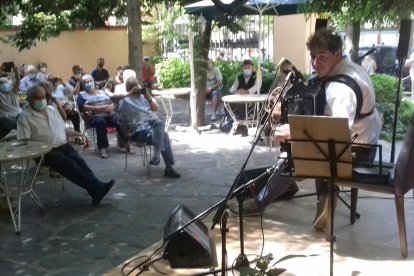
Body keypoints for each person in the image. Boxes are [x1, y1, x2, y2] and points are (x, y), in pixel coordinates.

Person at [232, 29, 382, 233]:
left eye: (322, 57)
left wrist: (294, 133)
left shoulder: (342, 89)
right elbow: (324, 114)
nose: (315, 63)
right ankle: (325, 197)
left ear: (338, 55)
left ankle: (258, 203)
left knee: (294, 160)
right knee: (316, 151)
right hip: (362, 144)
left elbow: (338, 134)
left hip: (357, 153)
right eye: (313, 57)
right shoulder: (349, 69)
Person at [17, 85, 114, 206]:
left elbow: (62, 129)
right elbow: (24, 141)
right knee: (70, 165)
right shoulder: (24, 117)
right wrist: (40, 148)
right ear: (29, 99)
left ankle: (96, 190)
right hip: (45, 152)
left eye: (43, 96)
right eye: (37, 97)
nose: (41, 99)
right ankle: (98, 187)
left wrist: (78, 133)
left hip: (62, 145)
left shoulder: (51, 110)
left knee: (81, 163)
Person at [116, 77, 180, 178]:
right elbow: (112, 100)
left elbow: (155, 109)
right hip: (136, 131)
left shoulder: (143, 97)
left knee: (160, 125)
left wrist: (148, 96)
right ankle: (167, 166)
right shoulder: (124, 100)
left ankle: (157, 156)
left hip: (150, 126)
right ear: (127, 88)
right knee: (164, 135)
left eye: (136, 85)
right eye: (132, 87)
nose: (136, 89)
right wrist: (128, 94)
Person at [76, 74, 123, 158]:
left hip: (108, 114)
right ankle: (102, 148)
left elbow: (111, 102)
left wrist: (111, 107)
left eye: (90, 81)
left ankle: (126, 143)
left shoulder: (103, 91)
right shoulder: (81, 95)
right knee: (101, 122)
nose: (89, 83)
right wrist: (100, 108)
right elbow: (82, 107)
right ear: (83, 84)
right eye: (87, 82)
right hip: (94, 117)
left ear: (94, 82)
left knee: (118, 120)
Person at [0, 66, 21, 139]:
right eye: (2, 83)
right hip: (6, 118)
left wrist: (17, 72)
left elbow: (18, 82)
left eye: (6, 82)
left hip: (18, 116)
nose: (4, 85)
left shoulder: (13, 91)